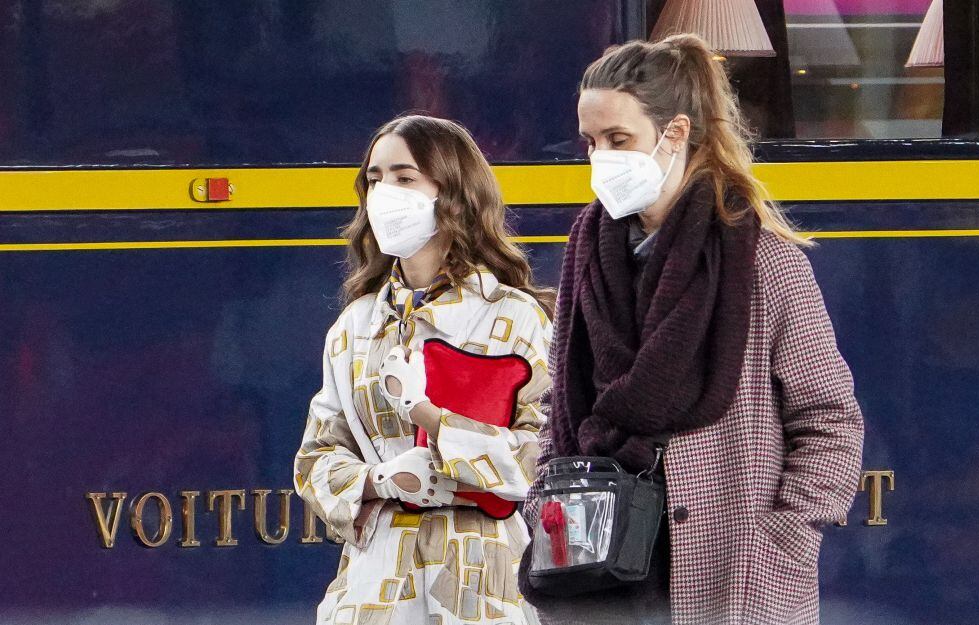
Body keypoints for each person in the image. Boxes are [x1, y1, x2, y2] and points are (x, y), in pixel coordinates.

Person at [519, 35, 865, 625]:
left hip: (730, 567)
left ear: (675, 133)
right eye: (591, 142)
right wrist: (543, 499)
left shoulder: (762, 261)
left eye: (618, 140)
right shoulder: (588, 254)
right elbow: (562, 405)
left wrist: (784, 539)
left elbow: (829, 420)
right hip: (596, 565)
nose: (600, 157)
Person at [295, 114, 554, 625]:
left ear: (452, 191)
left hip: (482, 590)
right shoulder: (355, 324)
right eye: (374, 178)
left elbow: (541, 460)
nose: (384, 192)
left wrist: (434, 422)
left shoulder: (514, 316)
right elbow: (315, 459)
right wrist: (382, 479)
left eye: (404, 177)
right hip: (375, 594)